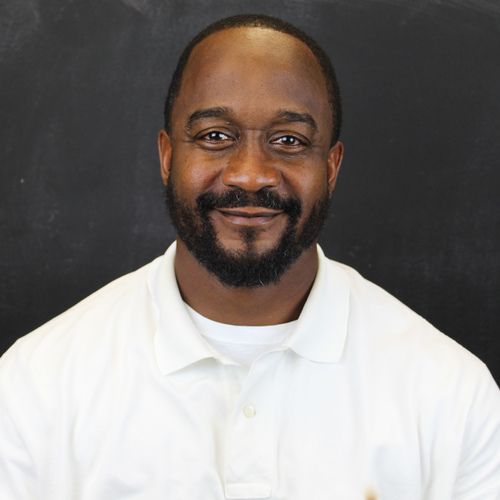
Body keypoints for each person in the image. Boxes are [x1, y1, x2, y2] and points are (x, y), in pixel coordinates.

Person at [0, 13, 499, 500]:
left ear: (331, 167)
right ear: (168, 157)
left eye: (289, 140)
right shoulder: (36, 385)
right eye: (216, 136)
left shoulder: (450, 394)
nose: (251, 175)